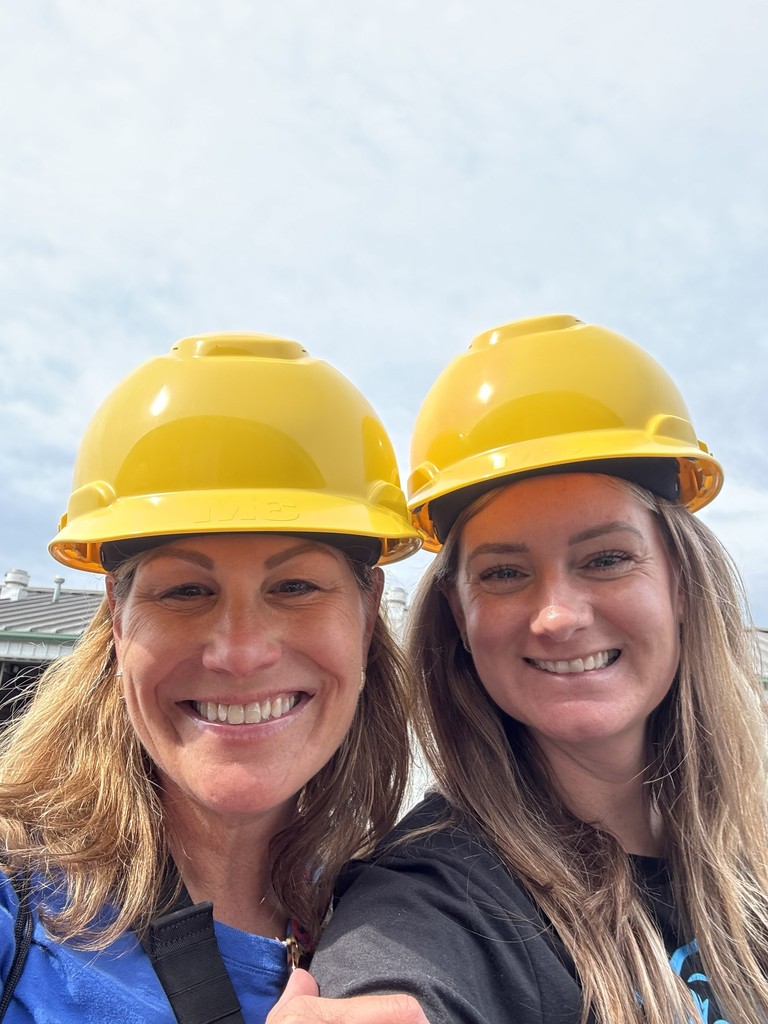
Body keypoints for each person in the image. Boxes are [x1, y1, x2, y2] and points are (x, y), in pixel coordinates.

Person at [311, 314, 768, 1024]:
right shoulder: (436, 896)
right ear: (459, 616)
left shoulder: (750, 842)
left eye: (606, 559)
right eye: (504, 572)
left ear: (680, 582)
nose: (557, 616)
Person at [0, 332, 429, 1024]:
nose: (239, 653)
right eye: (185, 591)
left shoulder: (402, 918)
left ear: (368, 612)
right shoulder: (14, 903)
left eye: (294, 586)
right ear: (117, 617)